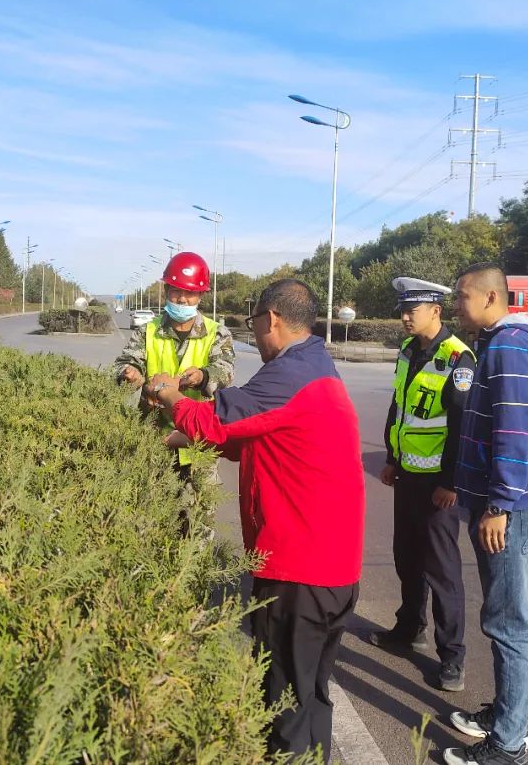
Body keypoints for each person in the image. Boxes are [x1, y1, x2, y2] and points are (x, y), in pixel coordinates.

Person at [143, 279, 364, 761]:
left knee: (284, 709)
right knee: (310, 697)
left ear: (272, 319)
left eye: (254, 323)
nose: (255, 333)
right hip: (333, 571)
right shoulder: (315, 366)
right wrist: (181, 439)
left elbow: (214, 419)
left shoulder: (289, 373)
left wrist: (167, 394)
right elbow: (254, 435)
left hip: (298, 572)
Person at [443, 263, 528, 765]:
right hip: (512, 506)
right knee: (505, 620)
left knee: (509, 626)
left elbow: (514, 431)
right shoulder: (506, 342)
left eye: (462, 296)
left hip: (511, 510)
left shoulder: (508, 347)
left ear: (490, 297)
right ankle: (507, 716)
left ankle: (508, 746)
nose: (456, 306)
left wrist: (499, 505)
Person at [369, 277, 475, 693]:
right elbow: (400, 407)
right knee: (407, 556)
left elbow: (462, 426)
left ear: (436, 310)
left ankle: (453, 657)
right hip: (408, 474)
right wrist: (391, 459)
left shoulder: (458, 358)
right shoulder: (408, 350)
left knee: (441, 568)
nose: (404, 317)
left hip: (438, 485)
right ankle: (409, 628)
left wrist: (451, 482)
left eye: (412, 310)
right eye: (403, 310)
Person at [114, 252, 236, 527]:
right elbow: (124, 363)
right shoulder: (148, 331)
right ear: (166, 291)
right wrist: (129, 374)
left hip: (198, 441)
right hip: (156, 438)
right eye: (176, 291)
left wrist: (203, 377)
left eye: (189, 294)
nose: (182, 299)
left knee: (198, 522)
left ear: (200, 295)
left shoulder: (217, 333)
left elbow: (226, 372)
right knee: (152, 518)